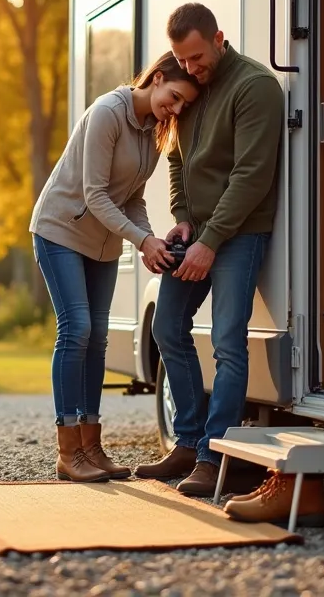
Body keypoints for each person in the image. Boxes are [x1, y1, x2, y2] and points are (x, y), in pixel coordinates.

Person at [133, 3, 286, 499]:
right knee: (167, 328)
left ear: (219, 38)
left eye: (198, 56)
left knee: (226, 341)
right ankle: (189, 440)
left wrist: (210, 241)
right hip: (197, 231)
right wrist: (182, 219)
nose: (191, 68)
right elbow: (176, 160)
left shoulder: (254, 86)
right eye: (183, 59)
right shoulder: (189, 84)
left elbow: (252, 176)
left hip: (239, 233)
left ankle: (217, 453)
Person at [29, 51, 202, 482]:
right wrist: (141, 240)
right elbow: (94, 194)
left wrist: (153, 239)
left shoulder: (153, 132)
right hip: (61, 231)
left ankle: (91, 447)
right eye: (175, 97)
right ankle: (69, 451)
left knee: (99, 337)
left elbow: (133, 199)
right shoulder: (108, 112)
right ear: (157, 78)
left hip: (103, 244)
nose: (176, 109)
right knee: (77, 329)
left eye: (184, 105)